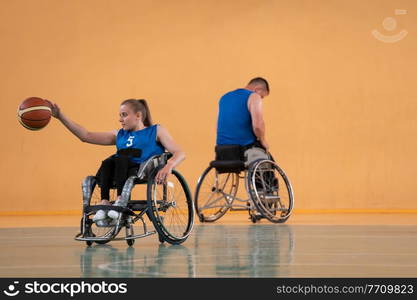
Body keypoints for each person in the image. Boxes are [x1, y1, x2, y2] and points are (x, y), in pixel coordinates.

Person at [49, 98, 185, 223]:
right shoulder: (119, 134)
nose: (120, 119)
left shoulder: (155, 130)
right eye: (120, 115)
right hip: (120, 169)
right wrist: (60, 116)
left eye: (124, 115)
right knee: (108, 162)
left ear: (138, 115)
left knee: (121, 159)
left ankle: (120, 199)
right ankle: (105, 202)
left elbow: (180, 152)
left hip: (141, 169)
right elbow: (85, 135)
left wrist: (169, 165)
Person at [216, 77, 271, 165]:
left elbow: (219, 125)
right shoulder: (254, 96)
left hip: (221, 150)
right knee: (268, 160)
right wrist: (263, 140)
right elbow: (257, 126)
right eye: (262, 96)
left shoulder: (224, 98)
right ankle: (268, 178)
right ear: (257, 89)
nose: (261, 98)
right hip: (243, 149)